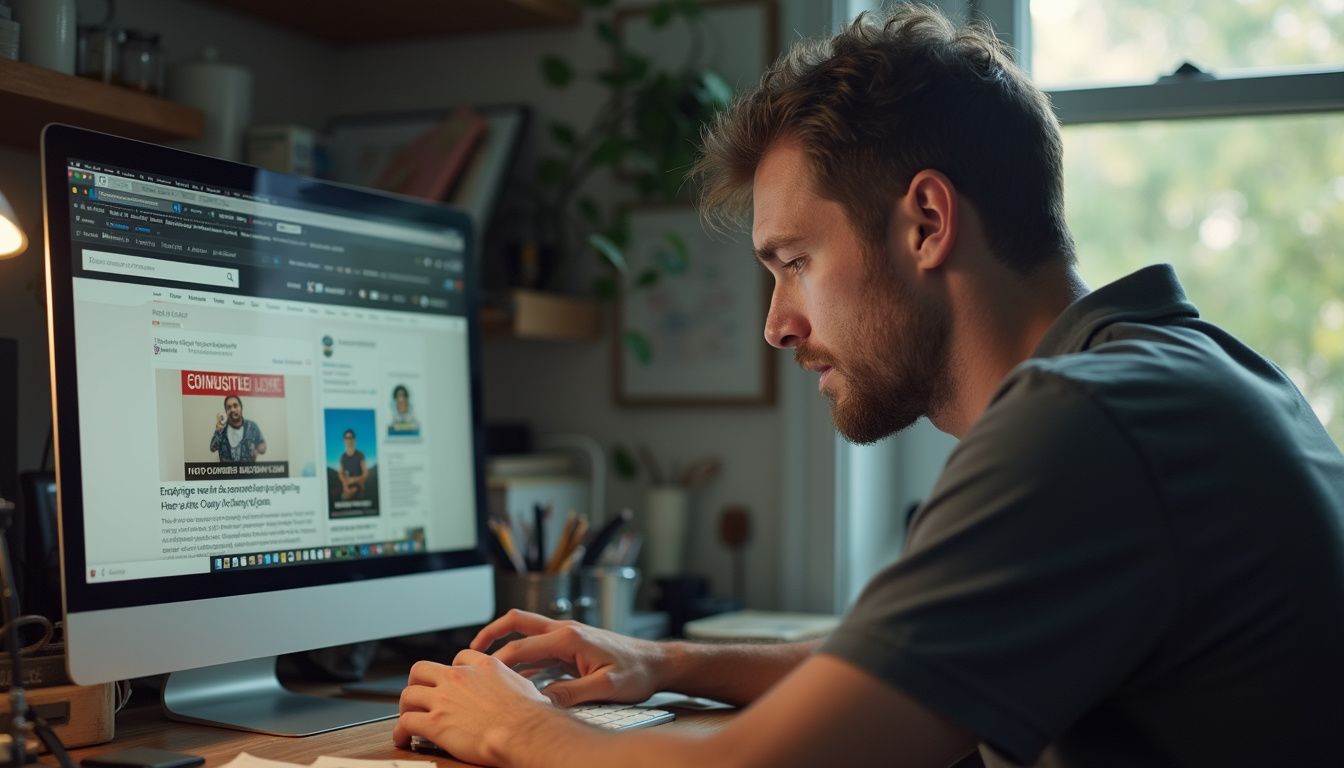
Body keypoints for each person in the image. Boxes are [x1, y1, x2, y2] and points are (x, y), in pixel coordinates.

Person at [393, 6, 1344, 767]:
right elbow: (917, 667)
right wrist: (667, 662)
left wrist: (514, 727)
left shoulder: (1082, 425)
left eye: (795, 261)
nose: (778, 323)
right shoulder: (1191, 374)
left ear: (926, 222)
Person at [209, 394, 266, 463]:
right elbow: (212, 448)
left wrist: (257, 450)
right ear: (226, 411)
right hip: (227, 472)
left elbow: (262, 444)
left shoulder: (252, 426)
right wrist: (218, 430)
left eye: (235, 406)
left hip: (248, 472)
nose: (232, 409)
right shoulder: (222, 428)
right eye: (229, 407)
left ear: (241, 407)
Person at [338, 428, 369, 500]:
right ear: (344, 440)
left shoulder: (360, 455)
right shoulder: (342, 457)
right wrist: (345, 484)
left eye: (350, 437)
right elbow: (340, 473)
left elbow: (365, 473)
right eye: (346, 438)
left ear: (354, 439)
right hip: (347, 490)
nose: (348, 440)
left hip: (359, 489)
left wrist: (354, 480)